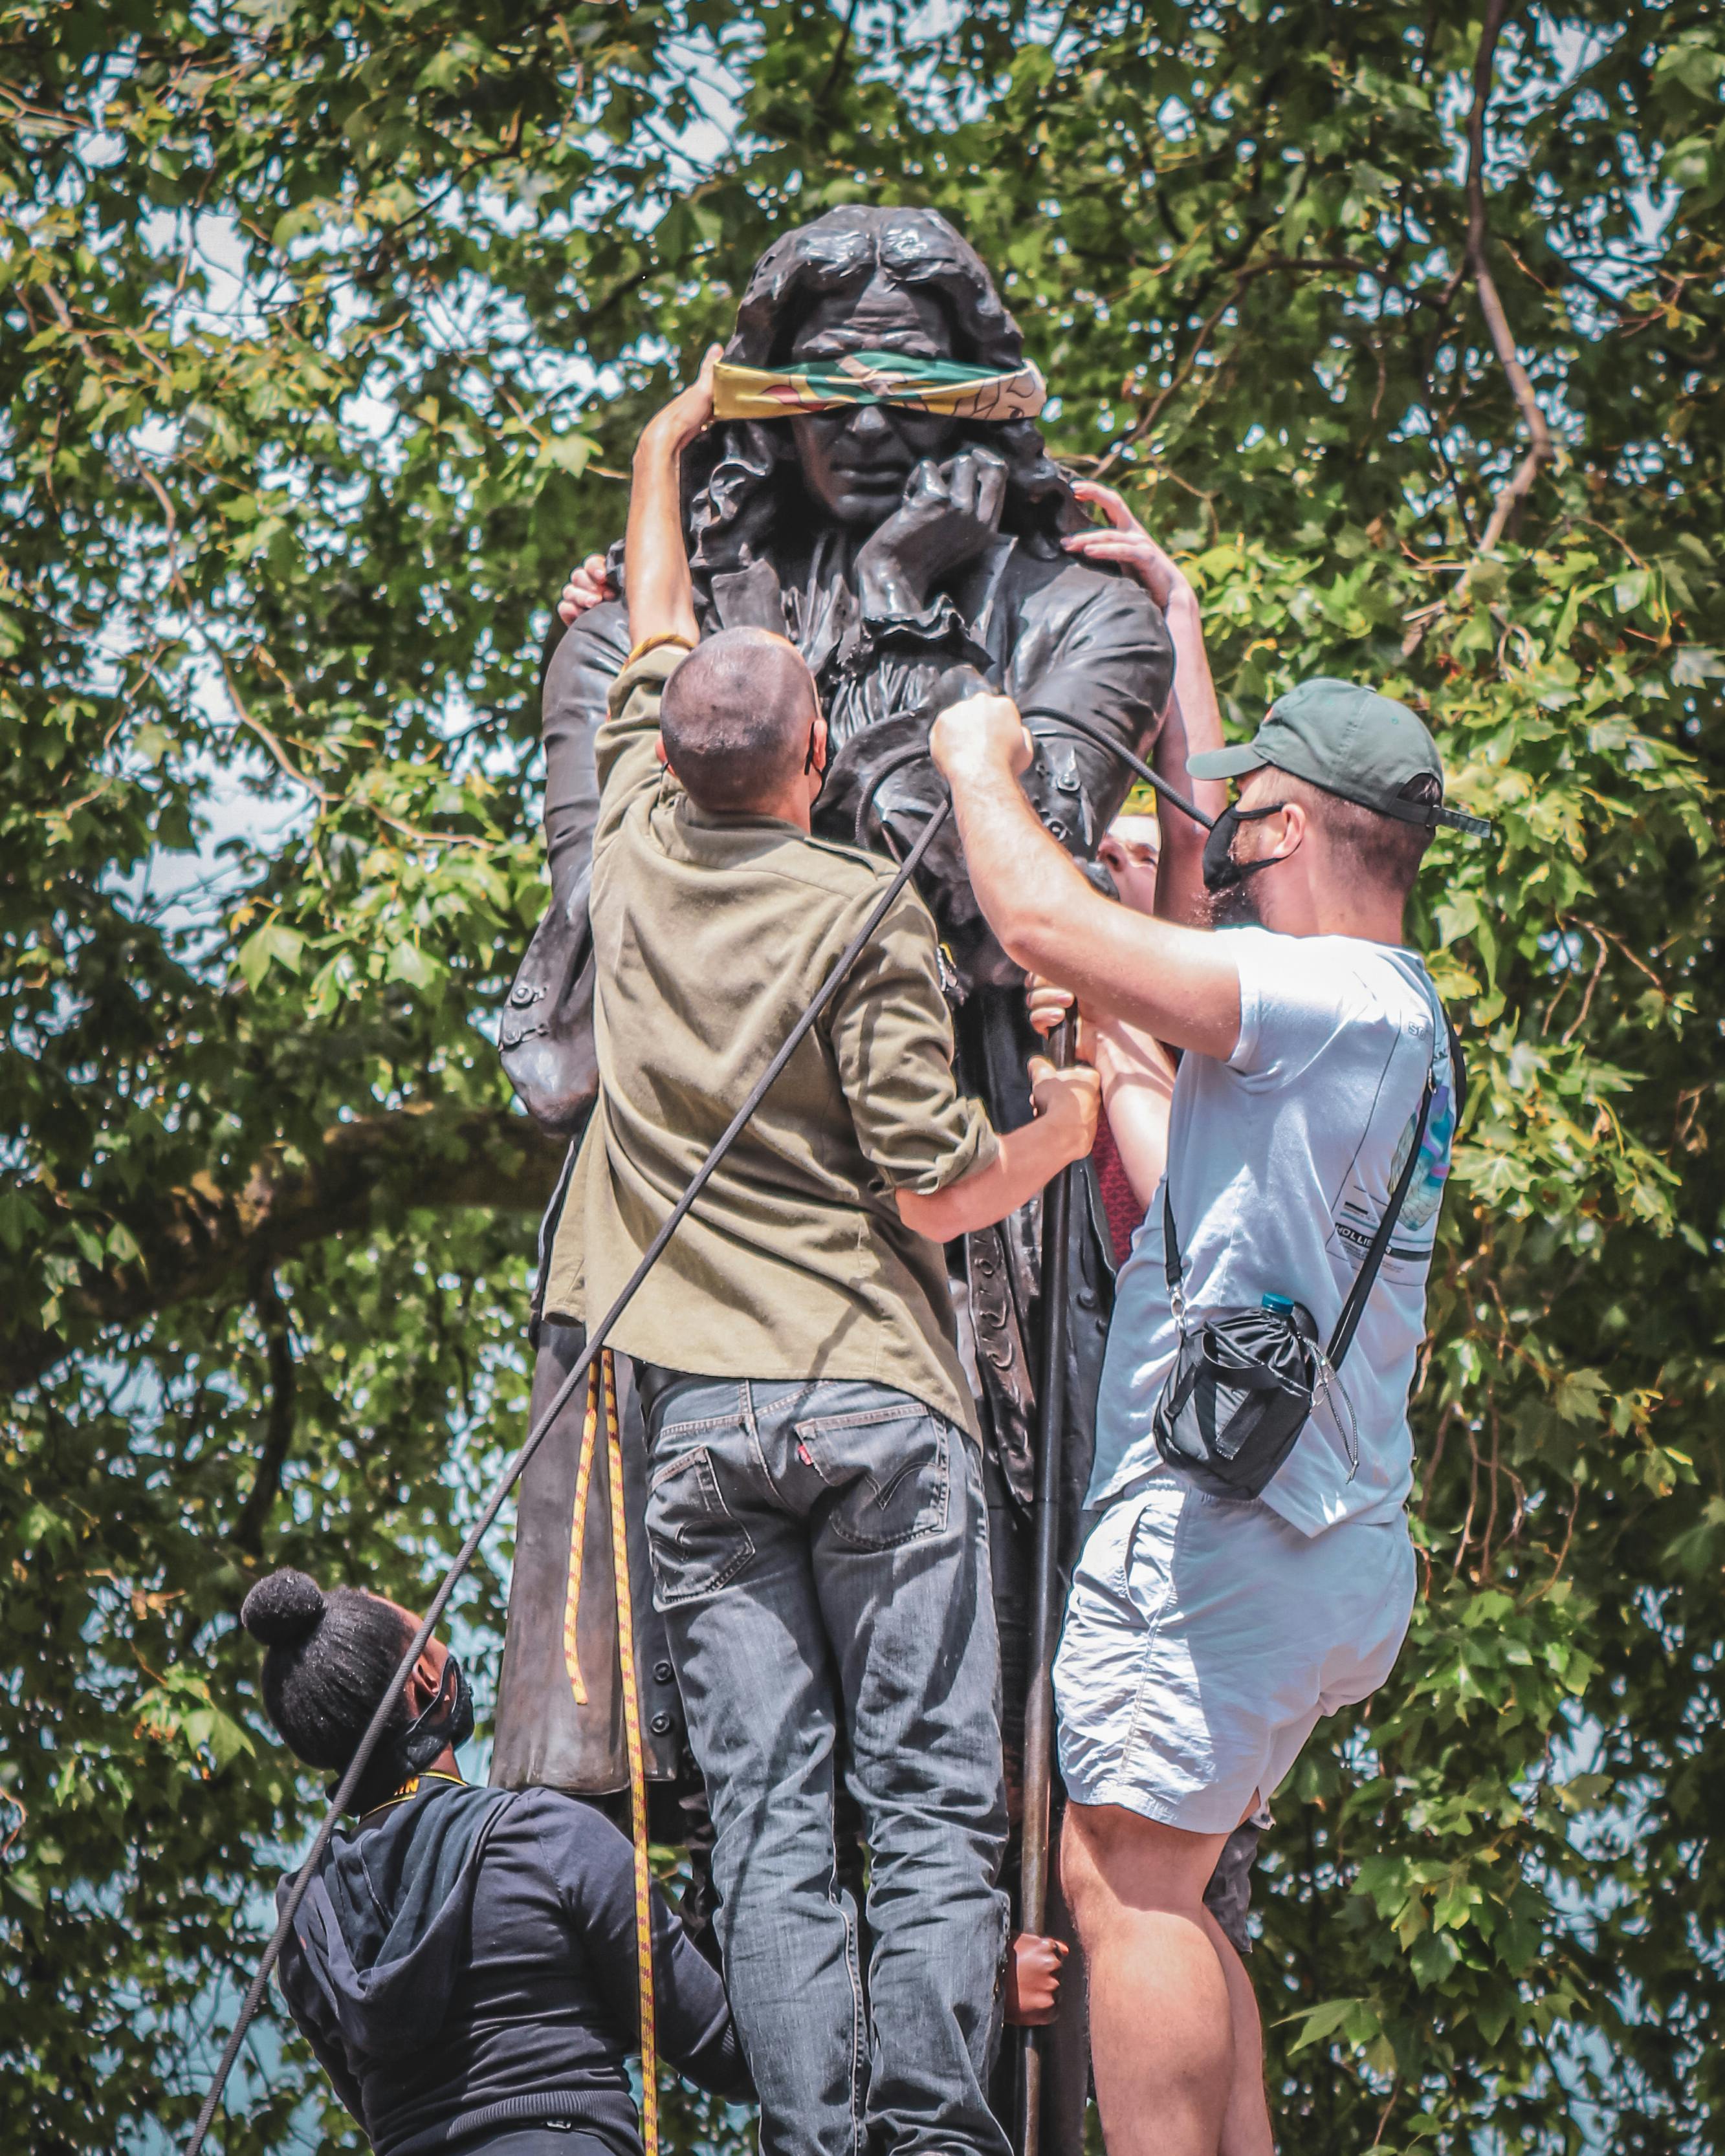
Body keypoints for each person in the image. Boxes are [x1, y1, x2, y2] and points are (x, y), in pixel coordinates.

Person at [541, 349, 1098, 2156]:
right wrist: (1076, 1122)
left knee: (773, 1817)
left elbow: (649, 634)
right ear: (808, 759)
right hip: (875, 1405)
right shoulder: (864, 904)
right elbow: (941, 1191)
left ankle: (808, 2135)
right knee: (929, 1800)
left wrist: (668, 434)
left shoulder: (626, 847)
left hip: (702, 1431)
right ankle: (933, 2130)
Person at [931, 618, 1484, 2155]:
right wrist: (1168, 622)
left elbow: (1037, 919)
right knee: (1168, 1883)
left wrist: (976, 761)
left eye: (1238, 807)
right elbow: (1193, 1213)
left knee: (1122, 1881)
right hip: (1318, 1537)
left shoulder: (1319, 992)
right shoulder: (1388, 1024)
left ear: (1291, 826)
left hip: (1223, 1543)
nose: (1216, 832)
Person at [240, 1566, 750, 2156]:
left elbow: (387, 2107)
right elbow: (728, 2054)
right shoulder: (545, 1837)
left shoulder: (308, 1920)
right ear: (426, 1680)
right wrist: (721, 1841)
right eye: (428, 1633)